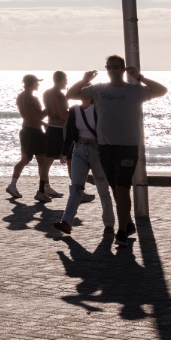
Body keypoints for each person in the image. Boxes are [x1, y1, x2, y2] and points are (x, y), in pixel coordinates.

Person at [68, 56, 168, 240]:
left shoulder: (135, 90)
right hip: (105, 147)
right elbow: (71, 95)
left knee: (122, 189)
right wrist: (85, 79)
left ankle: (121, 231)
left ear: (123, 69)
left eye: (116, 67)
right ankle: (127, 222)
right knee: (115, 188)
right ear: (106, 69)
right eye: (110, 67)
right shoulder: (98, 90)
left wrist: (140, 77)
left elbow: (162, 90)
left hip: (127, 146)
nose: (113, 70)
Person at [53, 87, 113, 237]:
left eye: (83, 93)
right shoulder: (74, 110)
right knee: (76, 187)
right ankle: (66, 222)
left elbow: (107, 129)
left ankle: (109, 224)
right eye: (79, 93)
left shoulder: (98, 109)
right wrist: (64, 153)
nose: (81, 95)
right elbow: (71, 134)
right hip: (79, 150)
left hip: (96, 152)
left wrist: (100, 141)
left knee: (103, 189)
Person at [6, 75, 48, 201]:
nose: (38, 85)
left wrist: (42, 123)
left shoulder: (20, 97)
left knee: (27, 159)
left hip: (25, 130)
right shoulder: (33, 98)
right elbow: (38, 116)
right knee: (41, 160)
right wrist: (49, 109)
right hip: (34, 132)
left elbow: (29, 116)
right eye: (37, 82)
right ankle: (43, 189)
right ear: (31, 84)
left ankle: (13, 184)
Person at [41, 71, 70, 198]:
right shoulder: (60, 95)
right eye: (66, 80)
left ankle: (42, 189)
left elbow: (49, 110)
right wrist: (75, 115)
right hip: (59, 129)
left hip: (50, 128)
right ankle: (77, 188)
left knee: (47, 160)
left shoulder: (46, 93)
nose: (67, 82)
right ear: (61, 80)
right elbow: (64, 115)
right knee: (70, 159)